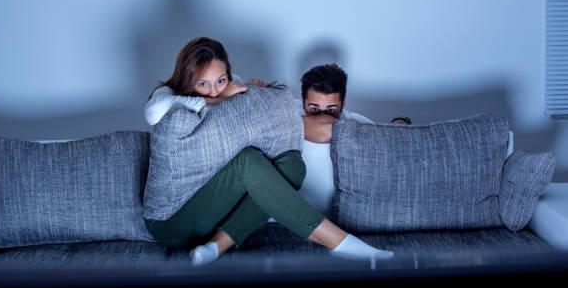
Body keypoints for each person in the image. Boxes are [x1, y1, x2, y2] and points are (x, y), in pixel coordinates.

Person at [143, 36, 394, 266]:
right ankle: (339, 242)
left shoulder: (233, 85)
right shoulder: (167, 93)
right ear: (187, 80)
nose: (215, 89)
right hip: (172, 220)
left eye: (221, 80)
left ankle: (215, 247)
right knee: (247, 160)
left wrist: (257, 89)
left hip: (213, 207)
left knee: (292, 165)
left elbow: (263, 108)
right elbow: (153, 113)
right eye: (202, 84)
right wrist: (219, 99)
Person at [251, 63, 412, 217]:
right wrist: (259, 88)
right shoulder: (289, 109)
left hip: (334, 216)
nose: (321, 116)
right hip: (284, 209)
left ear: (343, 103)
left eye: (331, 110)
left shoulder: (356, 123)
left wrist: (402, 122)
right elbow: (265, 99)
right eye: (314, 109)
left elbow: (390, 133)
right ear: (302, 100)